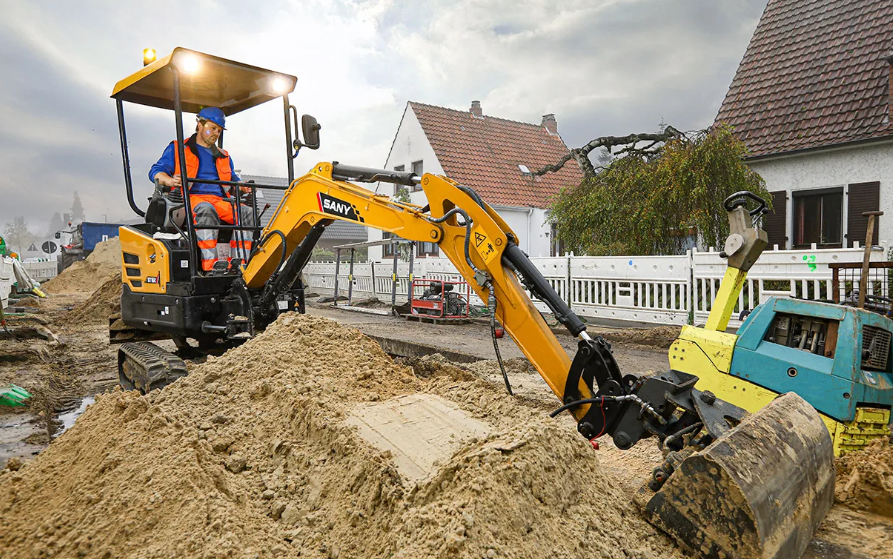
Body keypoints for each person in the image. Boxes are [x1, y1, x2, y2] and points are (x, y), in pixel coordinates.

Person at [149, 107, 254, 272]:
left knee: (247, 212)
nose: (216, 133)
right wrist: (169, 180)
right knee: (206, 209)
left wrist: (242, 187)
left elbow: (232, 182)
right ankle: (210, 266)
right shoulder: (178, 148)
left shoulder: (224, 155)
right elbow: (155, 172)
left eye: (219, 130)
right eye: (213, 128)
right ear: (199, 124)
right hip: (190, 199)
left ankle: (240, 264)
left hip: (219, 201)